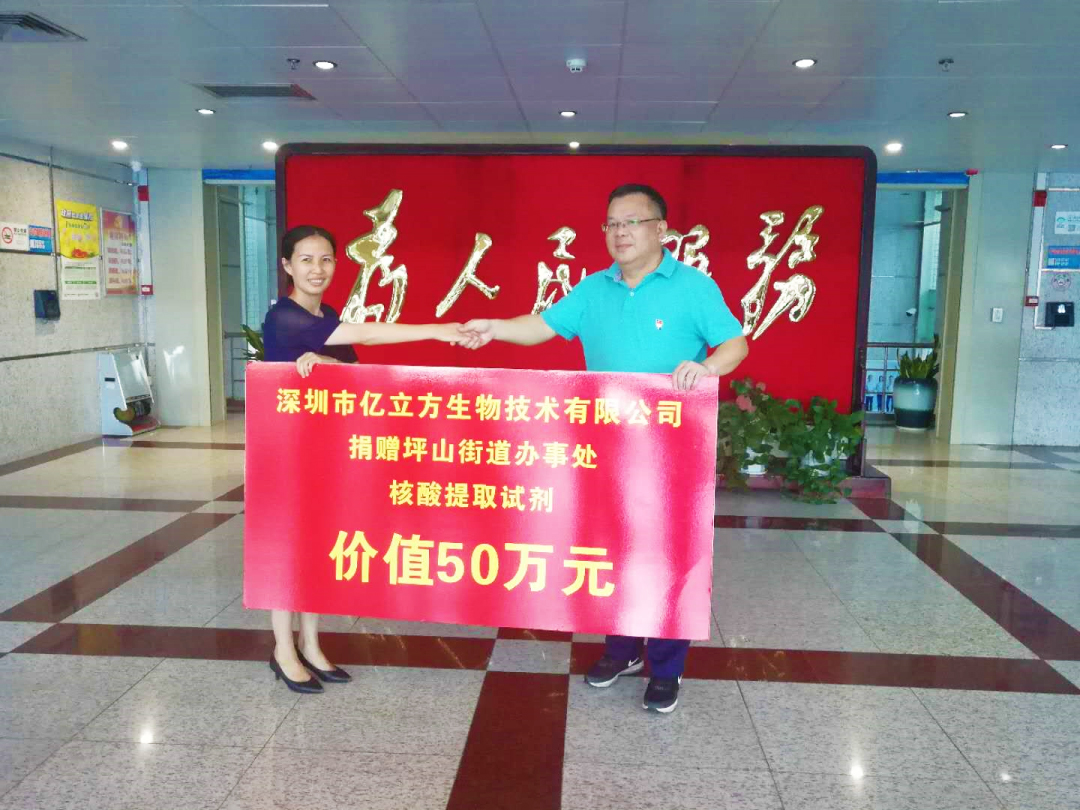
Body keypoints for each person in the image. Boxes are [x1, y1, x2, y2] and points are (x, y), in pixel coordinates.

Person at [458, 184, 748, 713]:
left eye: (632, 222)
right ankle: (622, 649)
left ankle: (666, 667)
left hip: (670, 450)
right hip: (606, 447)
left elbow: (735, 343)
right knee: (612, 549)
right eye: (612, 223)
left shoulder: (693, 287)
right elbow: (541, 327)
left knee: (668, 554)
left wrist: (705, 367)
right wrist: (493, 327)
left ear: (661, 229)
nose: (620, 232)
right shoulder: (594, 289)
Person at [262, 224, 465, 694]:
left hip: (324, 449)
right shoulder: (284, 318)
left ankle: (311, 644)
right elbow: (368, 336)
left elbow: (353, 369)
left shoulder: (326, 313)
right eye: (306, 260)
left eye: (326, 259)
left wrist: (330, 364)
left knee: (315, 546)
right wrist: (439, 330)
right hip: (288, 453)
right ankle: (283, 649)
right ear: (287, 266)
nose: (317, 269)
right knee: (289, 549)